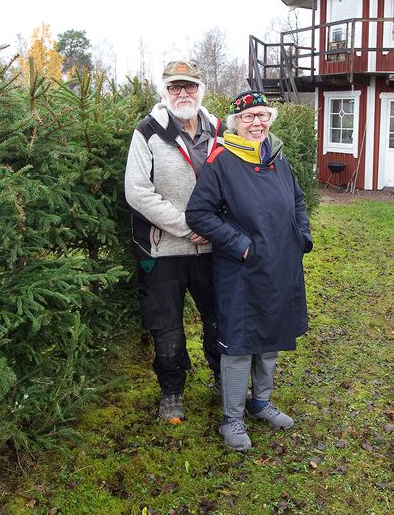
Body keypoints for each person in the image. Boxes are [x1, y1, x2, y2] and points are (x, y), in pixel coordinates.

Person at [186, 90, 313, 451]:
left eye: (262, 116)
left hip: (281, 265)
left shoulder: (277, 157)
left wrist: (301, 237)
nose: (256, 123)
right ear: (235, 123)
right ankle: (232, 419)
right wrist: (241, 245)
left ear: (269, 120)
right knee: (240, 344)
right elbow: (199, 214)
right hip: (241, 270)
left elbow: (298, 200)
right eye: (248, 117)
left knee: (271, 337)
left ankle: (261, 403)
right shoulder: (222, 162)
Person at [124, 60, 225, 424]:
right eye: (174, 87)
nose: (183, 93)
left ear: (201, 89)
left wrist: (213, 227)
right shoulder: (147, 132)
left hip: (213, 249)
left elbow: (236, 186)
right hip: (163, 249)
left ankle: (221, 379)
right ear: (163, 92)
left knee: (219, 318)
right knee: (166, 325)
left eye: (190, 86)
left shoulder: (222, 131)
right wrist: (187, 225)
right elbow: (137, 191)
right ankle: (171, 392)